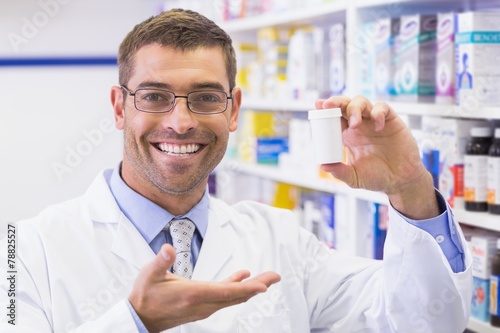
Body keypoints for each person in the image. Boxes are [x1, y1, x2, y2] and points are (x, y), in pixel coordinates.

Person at [1, 8, 471, 333]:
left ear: (233, 110)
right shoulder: (23, 250)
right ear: (119, 107)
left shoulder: (283, 241)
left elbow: (424, 321)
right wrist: (134, 321)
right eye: (154, 96)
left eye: (205, 97)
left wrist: (410, 185)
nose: (181, 121)